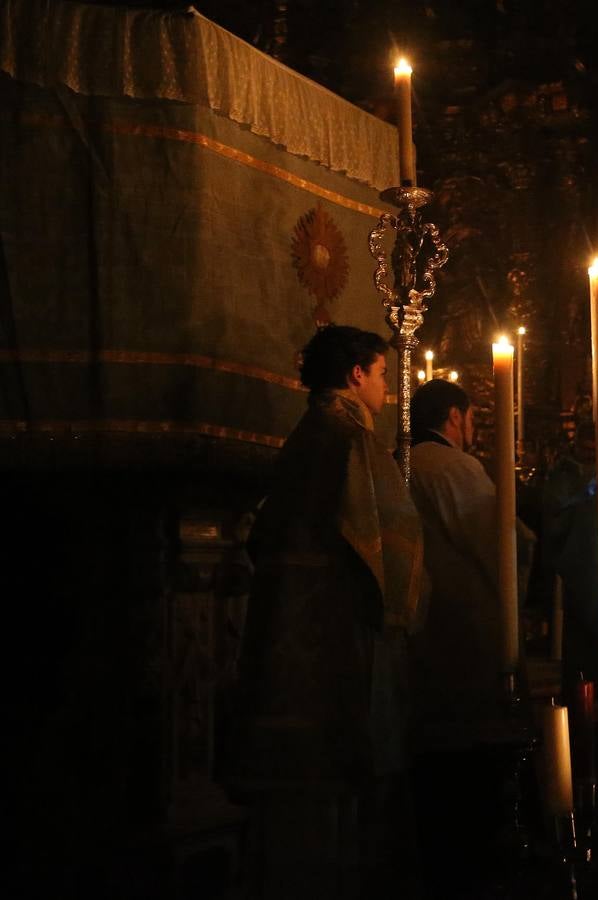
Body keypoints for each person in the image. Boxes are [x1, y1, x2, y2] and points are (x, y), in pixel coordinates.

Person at [227, 325, 423, 900]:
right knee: (345, 788)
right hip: (344, 637)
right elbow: (387, 547)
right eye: (382, 374)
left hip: (292, 630)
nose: (386, 387)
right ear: (356, 375)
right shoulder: (350, 439)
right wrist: (406, 613)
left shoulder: (306, 434)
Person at [405, 377, 533, 894]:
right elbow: (501, 543)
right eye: (473, 418)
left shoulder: (401, 462)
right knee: (470, 767)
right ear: (456, 417)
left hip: (422, 633)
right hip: (463, 635)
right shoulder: (450, 465)